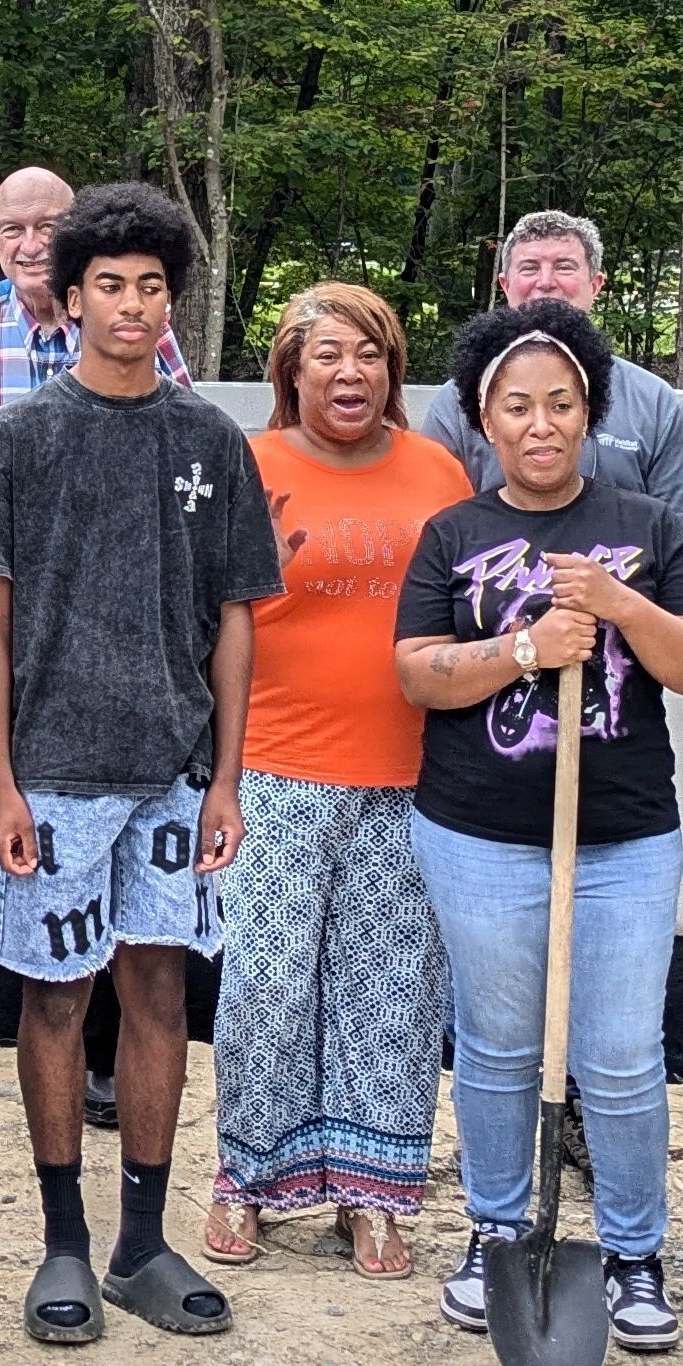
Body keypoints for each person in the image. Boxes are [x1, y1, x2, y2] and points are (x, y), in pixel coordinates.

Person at [0, 181, 279, 1349]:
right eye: (110, 285)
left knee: (157, 993)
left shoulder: (208, 441)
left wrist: (229, 776)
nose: (132, 305)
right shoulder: (18, 437)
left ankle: (143, 1239)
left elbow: (239, 615)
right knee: (56, 997)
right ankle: (64, 1244)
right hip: (47, 771)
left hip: (173, 771)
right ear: (69, 294)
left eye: (152, 286)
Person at [395, 301, 683, 1356]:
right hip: (479, 834)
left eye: (561, 404)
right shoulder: (451, 533)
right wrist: (530, 647)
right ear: (481, 420)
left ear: (589, 411)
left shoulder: (648, 525)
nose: (540, 424)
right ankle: (497, 1229)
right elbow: (413, 673)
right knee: (494, 1048)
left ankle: (633, 1250)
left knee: (620, 1053)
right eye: (515, 406)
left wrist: (621, 607)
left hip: (622, 837)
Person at [0, 164, 190, 1112]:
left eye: (48, 225)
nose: (30, 241)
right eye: (13, 227)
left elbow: (176, 455)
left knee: (108, 837)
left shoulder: (136, 327)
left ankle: (106, 1062)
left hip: (107, 636)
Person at [198, 283, 470, 1282]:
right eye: (326, 356)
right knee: (266, 983)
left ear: (393, 372)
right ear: (289, 372)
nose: (349, 373)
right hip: (274, 768)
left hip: (410, 774)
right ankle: (248, 1177)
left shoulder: (439, 472)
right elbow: (206, 622)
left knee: (392, 989)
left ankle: (374, 1194)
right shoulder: (248, 466)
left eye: (368, 355)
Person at [414, 209, 683, 537]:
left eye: (564, 267)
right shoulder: (457, 401)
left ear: (595, 284)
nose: (545, 282)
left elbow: (682, 535)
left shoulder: (653, 400)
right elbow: (437, 534)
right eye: (530, 268)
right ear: (506, 285)